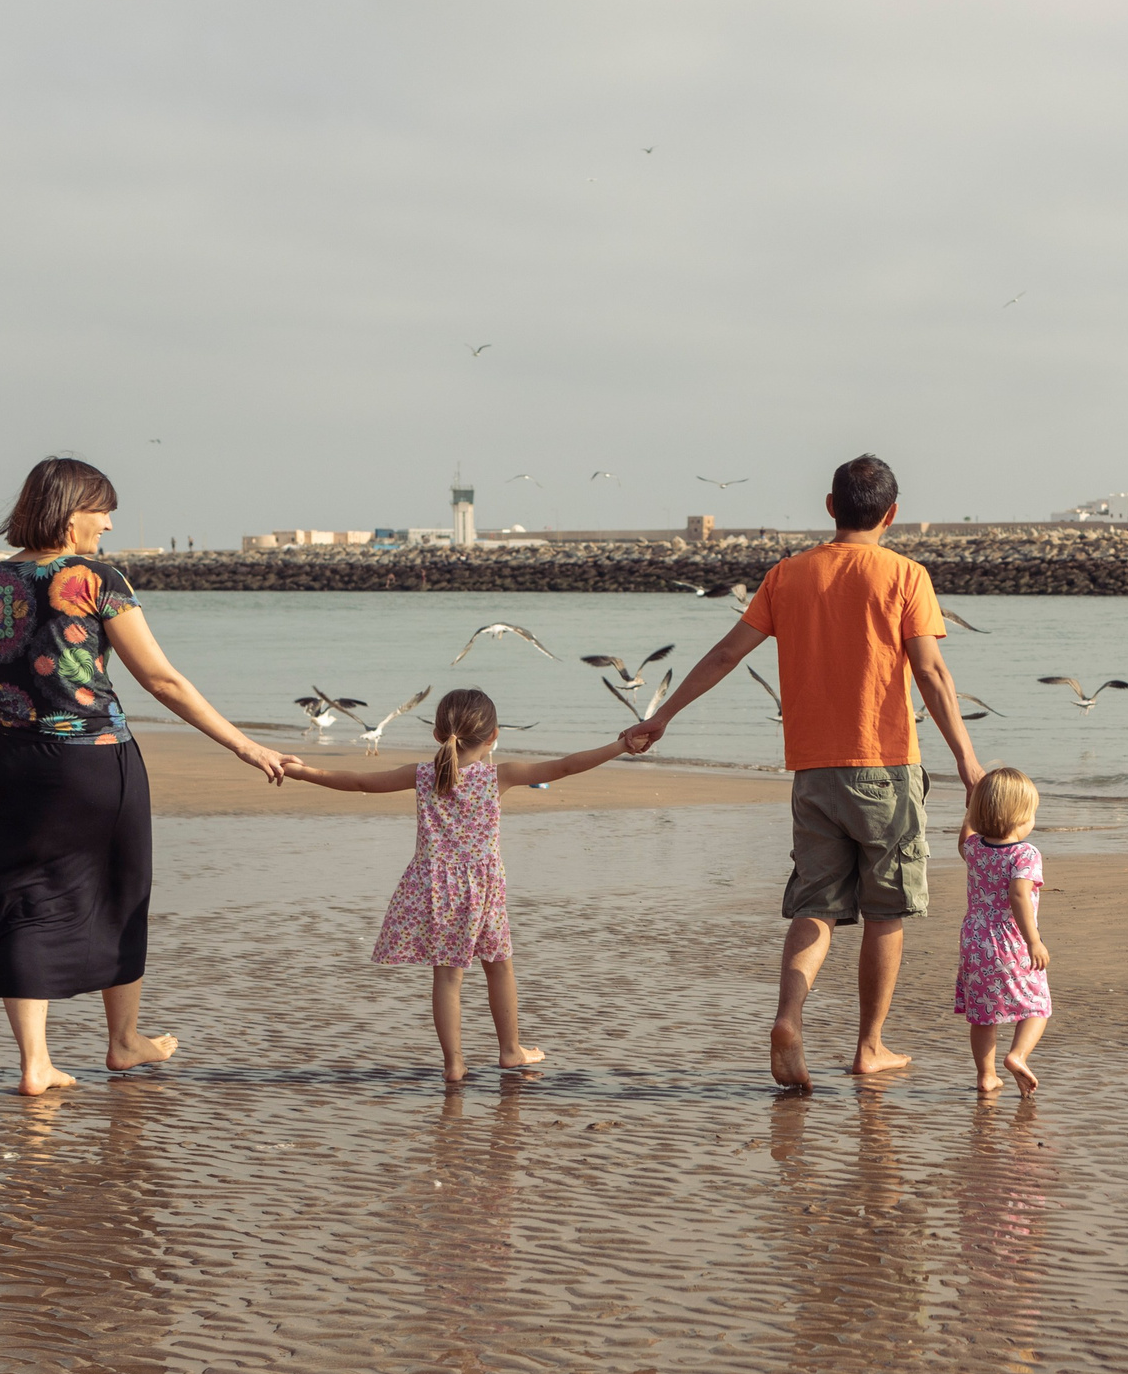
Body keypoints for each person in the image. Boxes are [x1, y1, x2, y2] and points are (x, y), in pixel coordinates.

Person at [0, 456, 288, 1096]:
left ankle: (35, 1063)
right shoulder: (96, 579)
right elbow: (161, 680)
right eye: (102, 510)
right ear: (69, 512)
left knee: (23, 898)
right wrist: (244, 745)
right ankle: (124, 1040)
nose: (108, 524)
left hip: (9, 761)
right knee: (120, 889)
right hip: (92, 759)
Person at [624, 453, 983, 1090]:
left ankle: (789, 1018)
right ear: (892, 515)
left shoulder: (787, 575)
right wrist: (968, 760)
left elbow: (726, 655)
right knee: (885, 912)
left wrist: (663, 716)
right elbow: (930, 671)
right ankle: (869, 1046)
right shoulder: (906, 575)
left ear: (830, 507)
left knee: (816, 905)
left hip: (813, 771)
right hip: (885, 766)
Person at [282, 688, 628, 1082]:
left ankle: (453, 1064)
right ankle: (510, 1051)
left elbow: (360, 780)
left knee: (447, 978)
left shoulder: (421, 775)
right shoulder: (498, 775)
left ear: (437, 734)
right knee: (500, 968)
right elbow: (565, 767)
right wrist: (620, 746)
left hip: (436, 888)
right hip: (484, 889)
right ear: (493, 735)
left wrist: (302, 772)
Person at [955, 768, 1050, 1096]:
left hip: (975, 941)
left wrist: (970, 808)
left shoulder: (975, 848)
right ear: (1020, 819)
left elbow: (964, 839)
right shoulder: (1025, 854)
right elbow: (1019, 894)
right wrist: (1034, 941)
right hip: (1011, 942)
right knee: (1037, 1004)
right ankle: (1017, 1055)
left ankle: (986, 1076)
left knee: (983, 1015)